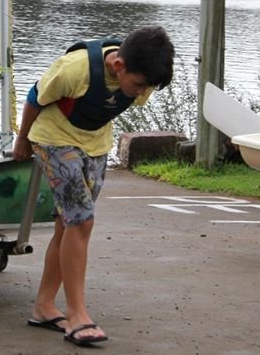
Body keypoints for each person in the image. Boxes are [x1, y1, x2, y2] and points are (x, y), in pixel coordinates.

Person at [14, 26, 174, 347]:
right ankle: (77, 315)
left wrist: (139, 87)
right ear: (119, 66)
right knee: (81, 221)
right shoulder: (76, 69)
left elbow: (122, 96)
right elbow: (35, 96)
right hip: (53, 137)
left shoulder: (143, 77)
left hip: (96, 142)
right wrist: (22, 140)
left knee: (69, 225)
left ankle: (44, 306)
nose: (141, 93)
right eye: (139, 85)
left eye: (148, 87)